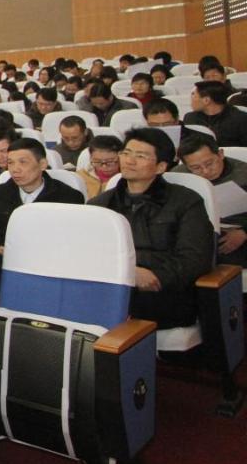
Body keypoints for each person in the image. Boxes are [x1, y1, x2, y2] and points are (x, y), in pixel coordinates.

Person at [89, 128, 214, 329]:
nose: (129, 161)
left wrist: (157, 277)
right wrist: (130, 273)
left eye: (140, 156)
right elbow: (88, 254)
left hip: (165, 290)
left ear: (160, 166)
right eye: (126, 153)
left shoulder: (186, 201)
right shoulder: (100, 204)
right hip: (115, 285)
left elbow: (195, 259)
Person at [0, 138, 84, 248]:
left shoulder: (69, 198)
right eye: (11, 163)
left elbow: (73, 240)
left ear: (42, 164)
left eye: (23, 162)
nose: (15, 169)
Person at [175, 133, 247, 266]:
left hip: (238, 232)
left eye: (209, 163)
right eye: (196, 168)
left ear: (220, 154)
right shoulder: (178, 177)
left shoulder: (244, 173)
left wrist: (244, 232)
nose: (206, 171)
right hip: (197, 232)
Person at [184, 81, 247, 147]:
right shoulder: (190, 118)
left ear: (206, 100)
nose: (191, 99)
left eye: (193, 95)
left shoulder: (241, 119)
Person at [77, 135, 123, 199]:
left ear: (121, 157)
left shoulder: (127, 179)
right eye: (97, 161)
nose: (104, 167)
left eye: (110, 161)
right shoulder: (80, 177)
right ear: (91, 158)